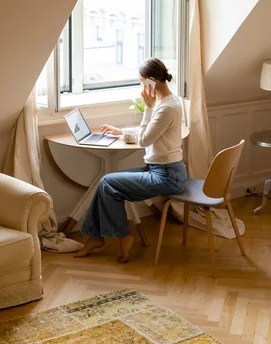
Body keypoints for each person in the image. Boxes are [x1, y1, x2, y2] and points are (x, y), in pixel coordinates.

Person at [74, 58, 187, 262]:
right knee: (106, 183)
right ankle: (95, 238)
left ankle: (121, 236)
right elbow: (154, 131)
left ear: (151, 81)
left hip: (167, 176)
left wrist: (149, 107)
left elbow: (145, 140)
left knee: (108, 183)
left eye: (141, 80)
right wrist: (122, 131)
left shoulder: (164, 108)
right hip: (162, 169)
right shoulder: (169, 101)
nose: (140, 85)